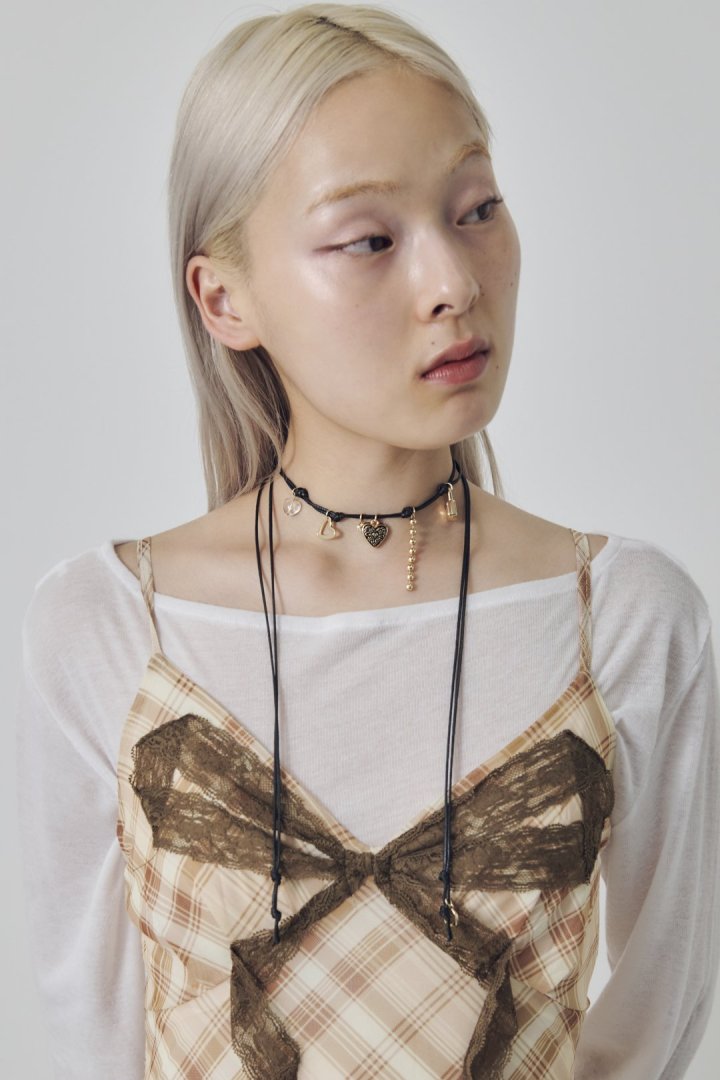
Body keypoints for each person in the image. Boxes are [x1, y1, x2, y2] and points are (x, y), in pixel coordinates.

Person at [15, 4, 719, 1078]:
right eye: (370, 240)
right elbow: (84, 1041)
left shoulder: (622, 615)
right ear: (225, 299)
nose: (455, 284)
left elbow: (662, 1018)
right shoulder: (108, 625)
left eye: (478, 209)